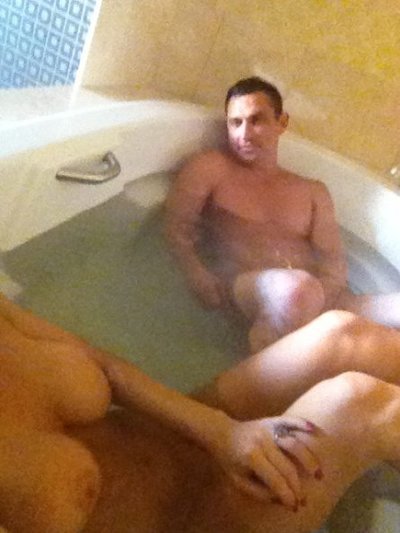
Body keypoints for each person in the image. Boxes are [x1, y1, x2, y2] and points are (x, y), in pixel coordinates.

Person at [3, 295, 400, 531]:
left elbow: (106, 367)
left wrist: (222, 431)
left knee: (345, 336)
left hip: (178, 439)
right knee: (364, 405)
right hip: (196, 523)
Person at [165, 76, 400, 352]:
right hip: (246, 291)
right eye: (235, 122)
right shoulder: (210, 168)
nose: (244, 134)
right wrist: (195, 272)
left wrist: (321, 305)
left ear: (282, 122)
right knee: (294, 290)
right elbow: (176, 228)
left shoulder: (312, 192)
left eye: (256, 120)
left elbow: (333, 263)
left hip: (318, 298)